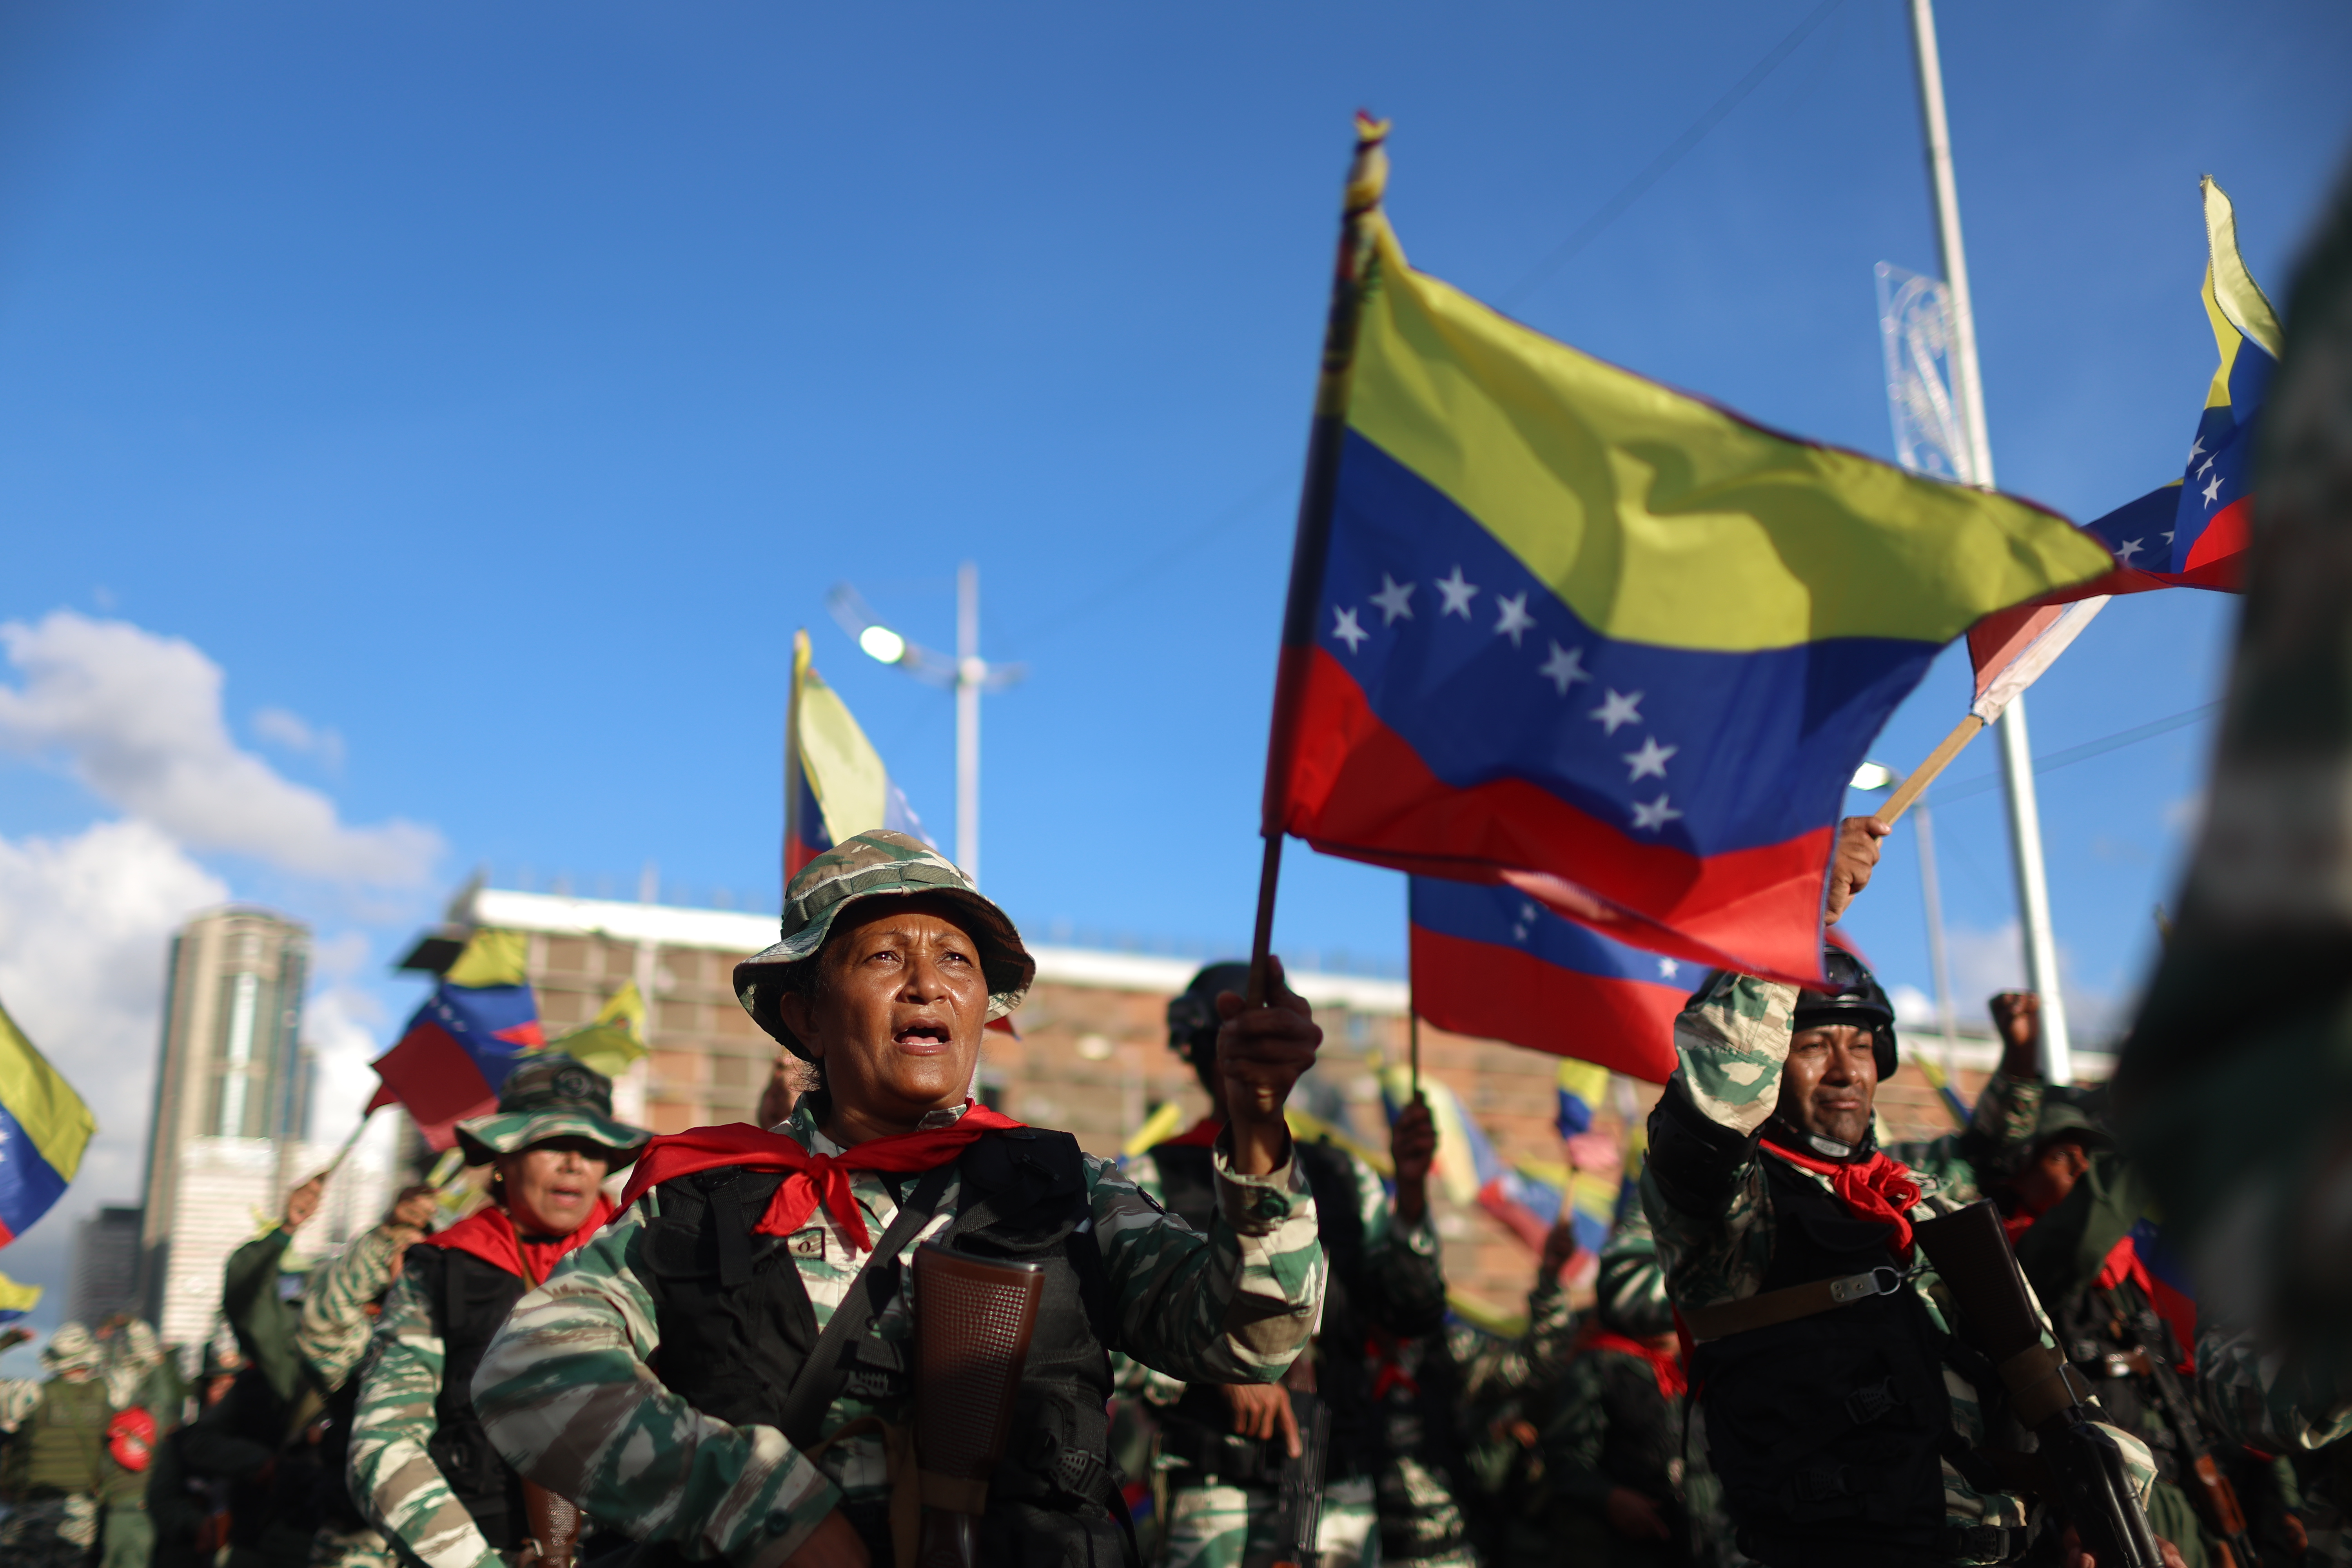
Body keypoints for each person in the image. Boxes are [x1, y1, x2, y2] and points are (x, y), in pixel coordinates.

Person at [469, 829, 1331, 1568]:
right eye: (886, 956)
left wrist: (1258, 1135)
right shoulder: (705, 1197)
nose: (929, 983)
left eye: (956, 960)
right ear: (806, 1016)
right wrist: (758, 1505)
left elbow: (1250, 1334)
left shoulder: (1069, 1191)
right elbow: (529, 1371)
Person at [1640, 817, 2170, 1567]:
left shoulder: (1928, 1205)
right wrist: (1800, 920)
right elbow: (1713, 1110)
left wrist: (2106, 1503)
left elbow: (2043, 1379)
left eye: (1860, 1045)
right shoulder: (1729, 1213)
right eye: (1816, 1045)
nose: (1844, 1070)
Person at [1128, 961, 1445, 1568]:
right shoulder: (1151, 1177)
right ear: (1199, 1053)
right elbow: (1117, 1337)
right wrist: (1218, 1368)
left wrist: (1410, 1193)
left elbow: (1411, 1312)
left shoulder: (1346, 1178)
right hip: (1217, 1487)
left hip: (1341, 1482)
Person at [348, 1053, 649, 1568]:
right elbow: (382, 1443)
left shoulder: (652, 1259)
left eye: (591, 1147)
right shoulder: (442, 1270)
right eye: (553, 1144)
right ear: (504, 1157)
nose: (574, 1163)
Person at [295, 1182, 439, 1568]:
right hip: (366, 1539)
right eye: (402, 1260)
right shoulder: (370, 1350)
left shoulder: (463, 1338)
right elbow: (324, 1323)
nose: (410, 1268)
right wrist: (387, 1236)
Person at [0, 1323, 151, 1568]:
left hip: (30, 1509)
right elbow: (143, 1361)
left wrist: (7, 1343)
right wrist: (130, 1325)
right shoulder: (111, 1391)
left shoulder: (28, 1395)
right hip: (81, 1512)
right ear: (90, 1356)